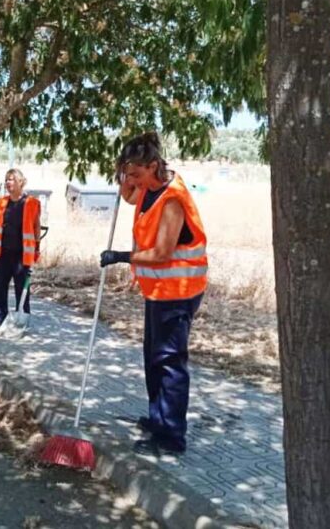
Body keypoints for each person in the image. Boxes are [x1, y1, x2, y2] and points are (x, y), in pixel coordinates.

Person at [100, 132, 208, 455]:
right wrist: (123, 179)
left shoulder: (173, 199)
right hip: (159, 291)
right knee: (152, 356)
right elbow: (132, 198)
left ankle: (171, 436)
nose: (132, 181)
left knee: (169, 361)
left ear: (153, 166)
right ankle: (157, 418)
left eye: (135, 174)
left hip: (179, 291)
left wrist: (120, 256)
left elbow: (162, 253)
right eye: (127, 175)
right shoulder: (149, 188)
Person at [0, 169, 42, 328]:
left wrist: (37, 248)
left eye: (12, 179)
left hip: (22, 255)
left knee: (22, 288)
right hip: (4, 252)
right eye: (6, 180)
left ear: (21, 182)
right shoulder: (2, 202)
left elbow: (36, 227)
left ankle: (22, 317)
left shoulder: (31, 203)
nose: (8, 182)